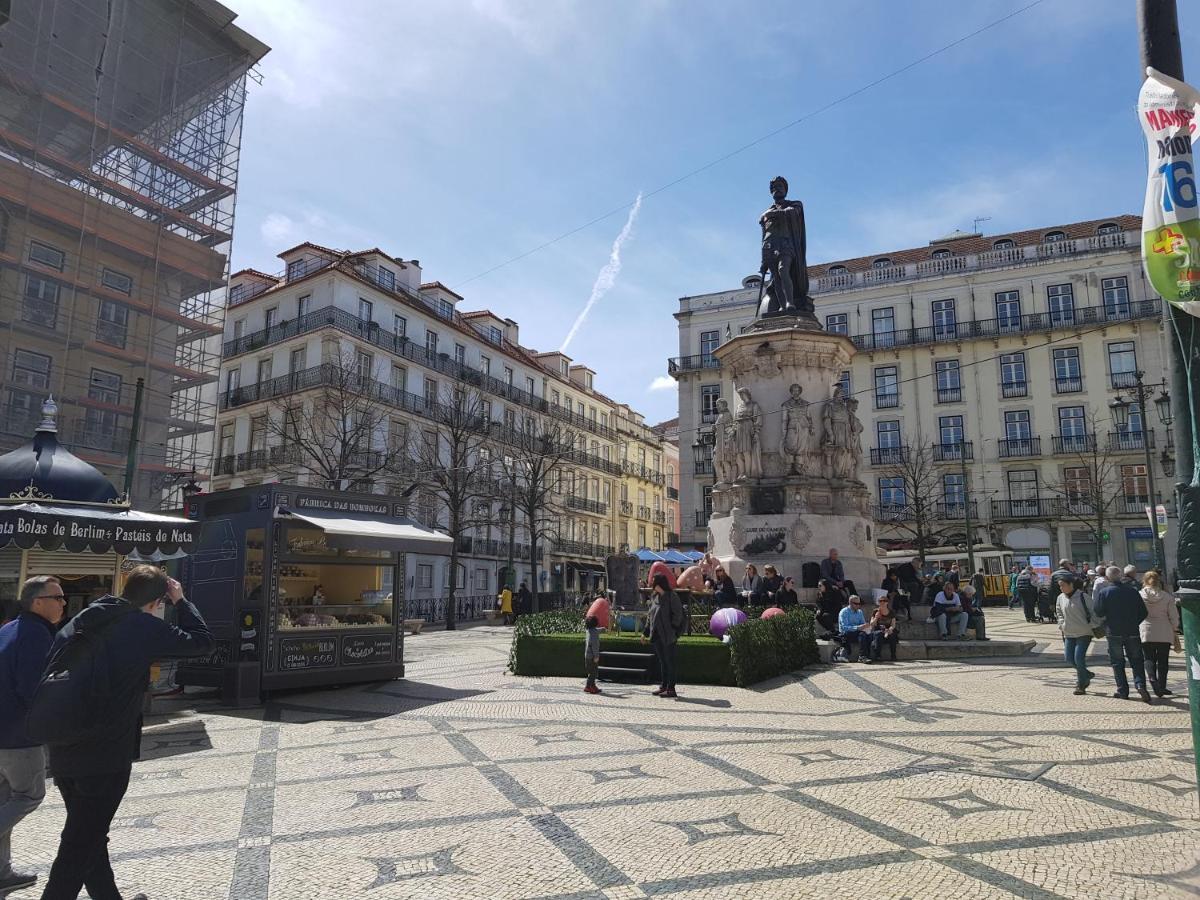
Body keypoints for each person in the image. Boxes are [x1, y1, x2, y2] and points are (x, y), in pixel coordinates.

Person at [41, 566, 213, 900]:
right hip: (105, 753)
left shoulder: (83, 619)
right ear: (156, 600)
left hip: (62, 747)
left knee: (89, 834)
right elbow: (203, 642)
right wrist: (182, 601)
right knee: (79, 844)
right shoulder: (141, 626)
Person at [0, 576, 66, 894]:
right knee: (28, 796)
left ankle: (1, 872)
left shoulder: (8, 629)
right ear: (37, 602)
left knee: (5, 803)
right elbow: (34, 690)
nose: (63, 603)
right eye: (58, 597)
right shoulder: (35, 635)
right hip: (19, 737)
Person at [1093, 565, 1151, 704]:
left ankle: (1122, 690)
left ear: (1107, 578)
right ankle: (1140, 685)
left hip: (1113, 632)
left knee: (1117, 662)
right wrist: (1134, 622)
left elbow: (1098, 612)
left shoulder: (1105, 592)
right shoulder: (1132, 591)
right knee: (1136, 660)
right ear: (1120, 576)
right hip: (1132, 630)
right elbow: (1144, 612)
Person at [1057, 575, 1101, 695]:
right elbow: (1059, 612)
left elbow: (1094, 612)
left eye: (1063, 585)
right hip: (1069, 633)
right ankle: (1087, 674)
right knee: (1069, 658)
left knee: (1079, 659)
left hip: (1084, 633)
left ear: (1071, 585)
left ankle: (1081, 684)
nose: (1061, 588)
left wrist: (1092, 625)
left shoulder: (1083, 596)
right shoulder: (1060, 597)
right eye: (1060, 586)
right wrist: (1062, 624)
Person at [1139, 571, 1180, 698]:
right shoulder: (1167, 597)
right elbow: (1173, 616)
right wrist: (1175, 629)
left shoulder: (1139, 595)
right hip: (1164, 630)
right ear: (1158, 581)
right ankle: (1162, 686)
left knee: (1149, 658)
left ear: (1144, 581)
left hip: (1146, 630)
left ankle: (1152, 678)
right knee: (1163, 661)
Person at [646, 573, 685, 698]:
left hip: (668, 635)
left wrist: (673, 628)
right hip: (657, 635)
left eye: (653, 580)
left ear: (658, 582)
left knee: (670, 662)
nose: (651, 581)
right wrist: (645, 632)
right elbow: (650, 615)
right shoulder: (654, 596)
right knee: (663, 661)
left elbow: (678, 614)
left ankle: (671, 688)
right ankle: (664, 686)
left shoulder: (671, 596)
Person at [836, 595, 871, 662]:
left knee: (869, 635)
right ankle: (862, 656)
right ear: (850, 603)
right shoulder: (844, 612)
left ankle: (867, 655)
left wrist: (866, 626)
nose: (858, 605)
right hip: (846, 633)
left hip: (858, 633)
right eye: (856, 604)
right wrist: (857, 628)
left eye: (859, 604)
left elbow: (862, 624)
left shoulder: (860, 612)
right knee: (862, 635)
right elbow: (844, 627)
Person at [865, 595, 899, 663]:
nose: (882, 602)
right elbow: (872, 624)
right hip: (878, 630)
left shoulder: (891, 612)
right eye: (880, 601)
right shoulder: (875, 611)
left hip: (888, 630)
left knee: (892, 634)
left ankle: (893, 655)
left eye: (884, 601)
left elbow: (893, 625)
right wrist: (876, 617)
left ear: (887, 602)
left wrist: (890, 629)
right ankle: (878, 655)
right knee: (879, 634)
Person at [583, 614, 603, 695]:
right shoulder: (594, 633)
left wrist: (603, 629)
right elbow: (594, 646)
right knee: (594, 672)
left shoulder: (588, 630)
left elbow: (596, 630)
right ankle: (589, 686)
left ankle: (590, 686)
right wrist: (596, 656)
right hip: (592, 657)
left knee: (590, 671)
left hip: (587, 656)